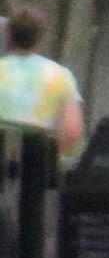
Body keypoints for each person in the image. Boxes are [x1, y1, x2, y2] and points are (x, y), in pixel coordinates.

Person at [0, 8, 85, 159]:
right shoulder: (60, 76)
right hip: (37, 169)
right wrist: (52, 160)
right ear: (39, 37)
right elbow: (72, 130)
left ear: (8, 35)